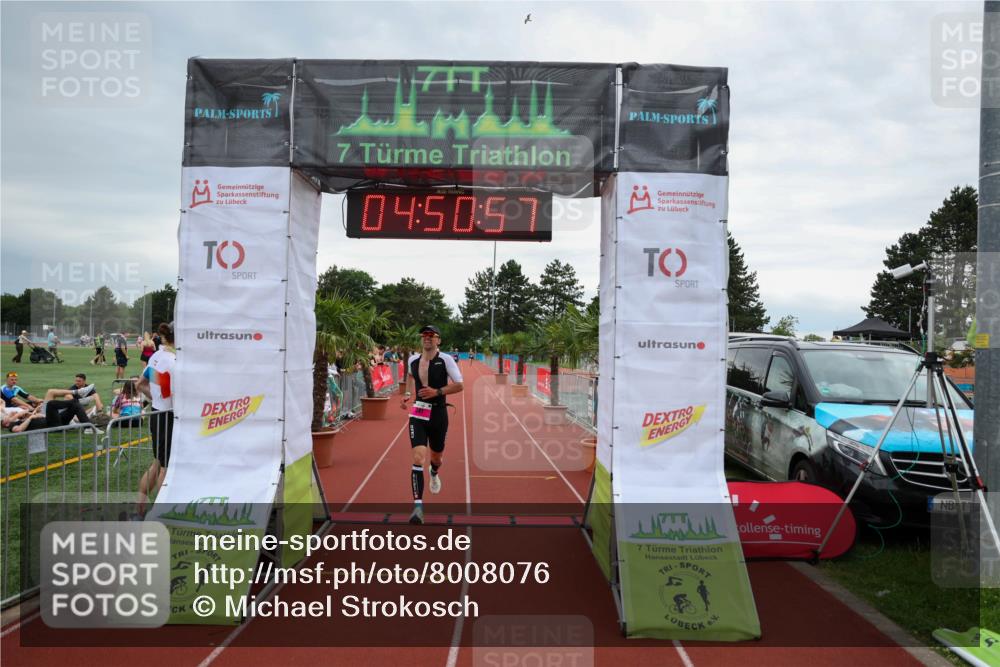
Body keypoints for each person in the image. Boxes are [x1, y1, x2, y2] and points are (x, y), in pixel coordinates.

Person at [399, 325, 464, 525]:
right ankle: (418, 507)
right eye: (424, 335)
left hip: (438, 412)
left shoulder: (445, 359)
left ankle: (434, 473)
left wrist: (437, 392)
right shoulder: (412, 360)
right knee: (418, 457)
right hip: (418, 411)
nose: (426, 338)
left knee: (436, 457)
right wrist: (408, 394)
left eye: (431, 335)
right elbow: (410, 377)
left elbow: (459, 384)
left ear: (438, 340)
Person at [136, 322, 176, 514]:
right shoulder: (175, 360)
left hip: (157, 413)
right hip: (169, 417)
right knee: (165, 468)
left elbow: (140, 384)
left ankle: (140, 506)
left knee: (157, 462)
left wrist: (157, 400)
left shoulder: (156, 356)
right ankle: (161, 513)